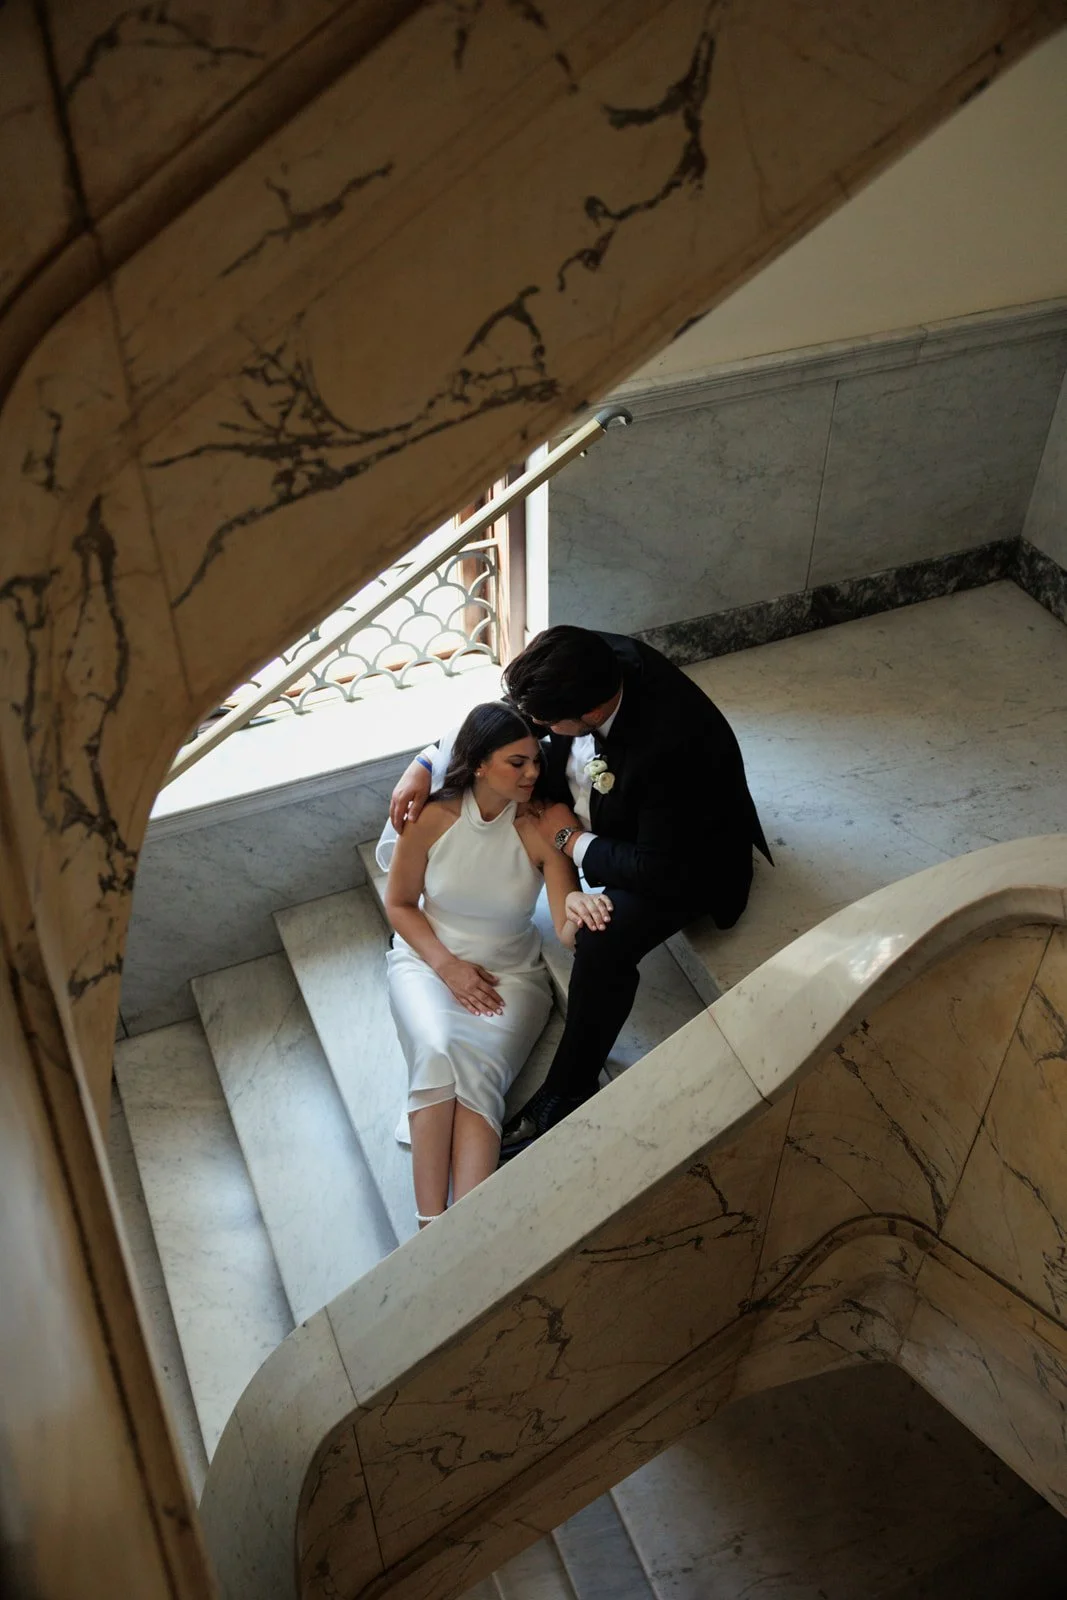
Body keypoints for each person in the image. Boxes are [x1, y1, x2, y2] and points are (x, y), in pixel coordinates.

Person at [388, 626, 771, 1149]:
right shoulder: (584, 660)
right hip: (617, 812)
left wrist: (570, 839)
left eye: (548, 723)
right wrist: (426, 762)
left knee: (603, 937)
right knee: (502, 774)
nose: (537, 726)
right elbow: (510, 718)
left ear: (589, 714)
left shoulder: (674, 744)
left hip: (686, 860)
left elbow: (661, 868)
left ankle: (567, 1089)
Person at [385, 700, 612, 1224]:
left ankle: (464, 1230)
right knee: (439, 1051)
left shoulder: (539, 825)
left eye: (536, 760)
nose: (533, 772)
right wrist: (448, 968)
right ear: (480, 763)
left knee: (479, 1077)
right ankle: (430, 1225)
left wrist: (578, 909)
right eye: (518, 762)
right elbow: (398, 905)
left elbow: (561, 921)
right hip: (427, 963)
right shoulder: (431, 819)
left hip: (511, 979)